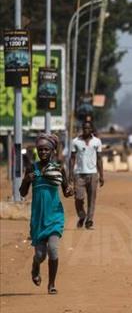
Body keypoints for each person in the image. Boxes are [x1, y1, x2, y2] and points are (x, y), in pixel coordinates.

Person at [19, 133, 73, 294]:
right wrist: (27, 180)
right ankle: (35, 266)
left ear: (52, 151)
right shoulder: (32, 168)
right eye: (40, 150)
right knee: (41, 255)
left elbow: (66, 191)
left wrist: (70, 190)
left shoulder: (58, 168)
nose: (43, 152)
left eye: (46, 150)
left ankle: (51, 284)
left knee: (54, 250)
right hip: (38, 218)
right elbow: (22, 193)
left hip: (55, 216)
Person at [69, 121, 104, 230]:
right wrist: (70, 173)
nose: (86, 130)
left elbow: (99, 158)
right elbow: (72, 158)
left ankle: (89, 220)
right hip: (79, 174)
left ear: (91, 130)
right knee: (78, 198)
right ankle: (82, 216)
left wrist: (101, 175)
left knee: (92, 199)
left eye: (88, 128)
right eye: (84, 128)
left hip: (93, 174)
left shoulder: (97, 142)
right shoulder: (75, 141)